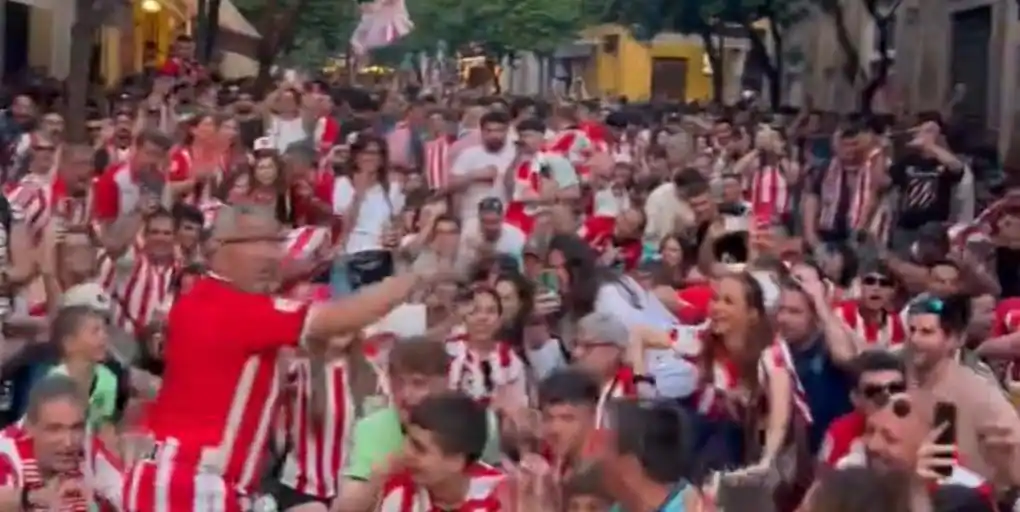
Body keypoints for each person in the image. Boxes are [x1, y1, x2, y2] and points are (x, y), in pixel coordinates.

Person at [122, 204, 434, 511]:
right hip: (189, 482)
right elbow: (339, 319)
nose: (272, 254)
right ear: (216, 247)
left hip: (194, 479)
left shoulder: (212, 302)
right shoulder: (231, 307)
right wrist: (409, 280)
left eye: (276, 241)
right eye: (258, 242)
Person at [0, 376, 123, 510]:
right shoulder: (6, 452)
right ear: (29, 427)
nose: (68, 442)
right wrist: (33, 498)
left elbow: (128, 495)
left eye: (76, 427)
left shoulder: (89, 447)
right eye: (54, 429)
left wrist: (95, 505)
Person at [375, 393, 504, 512]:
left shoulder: (502, 498)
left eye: (419, 448)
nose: (406, 451)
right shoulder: (399, 489)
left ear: (456, 462)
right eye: (406, 438)